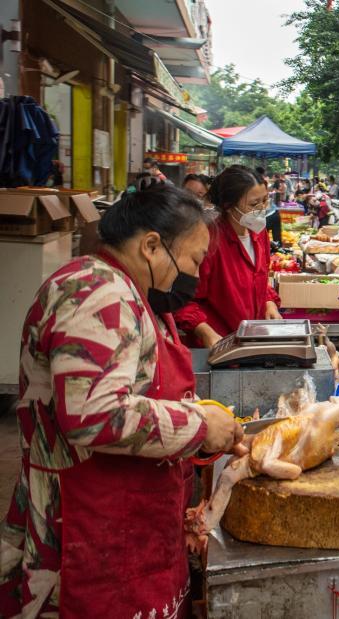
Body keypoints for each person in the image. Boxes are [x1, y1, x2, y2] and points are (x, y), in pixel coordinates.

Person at [0, 185, 244, 616]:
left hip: (126, 519)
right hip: (84, 531)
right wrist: (200, 425)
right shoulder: (97, 292)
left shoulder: (131, 292)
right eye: (192, 260)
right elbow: (94, 414)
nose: (193, 274)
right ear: (152, 245)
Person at [175, 166, 282, 348]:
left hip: (252, 342)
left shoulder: (259, 232)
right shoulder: (209, 240)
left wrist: (269, 303)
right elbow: (184, 300)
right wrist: (204, 330)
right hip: (218, 345)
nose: (262, 209)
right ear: (228, 205)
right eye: (254, 204)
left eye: (264, 201)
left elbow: (261, 280)